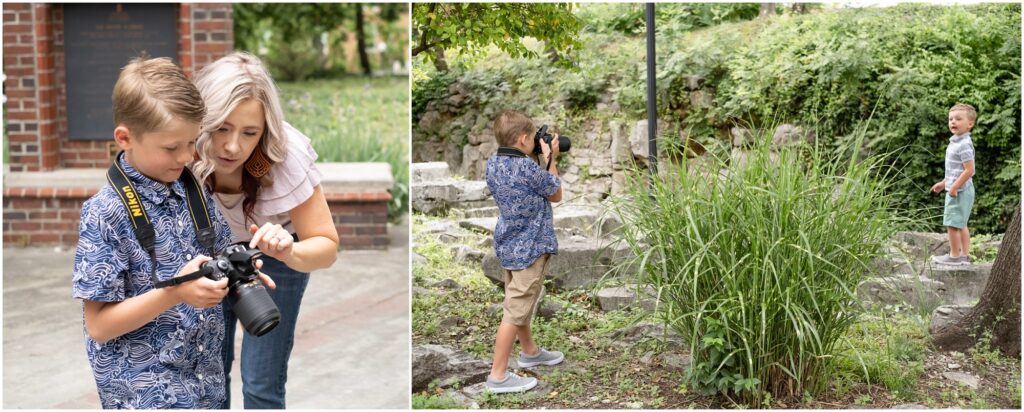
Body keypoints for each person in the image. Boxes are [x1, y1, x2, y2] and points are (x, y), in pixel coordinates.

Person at [72, 57, 253, 409]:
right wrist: (175, 293)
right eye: (172, 147)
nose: (187, 156)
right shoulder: (105, 212)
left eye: (192, 142)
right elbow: (99, 325)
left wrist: (241, 272)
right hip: (144, 398)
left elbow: (215, 261)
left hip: (207, 390)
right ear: (125, 138)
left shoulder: (192, 190)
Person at [191, 52, 339, 409]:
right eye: (221, 127)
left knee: (262, 386)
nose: (232, 146)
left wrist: (289, 251)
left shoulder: (285, 155)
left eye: (249, 133)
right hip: (205, 259)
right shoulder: (182, 148)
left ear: (265, 130)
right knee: (209, 379)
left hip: (277, 261)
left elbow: (327, 246)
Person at [482, 110, 566, 393]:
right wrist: (551, 158)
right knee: (515, 310)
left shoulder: (493, 164)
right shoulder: (529, 169)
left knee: (519, 302)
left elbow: (524, 185)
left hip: (508, 242)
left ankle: (530, 351)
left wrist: (536, 156)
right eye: (532, 138)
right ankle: (498, 376)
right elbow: (555, 193)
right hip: (531, 247)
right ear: (522, 139)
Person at [930, 103, 978, 266]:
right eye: (951, 119)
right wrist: (944, 183)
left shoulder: (963, 144)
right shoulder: (956, 142)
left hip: (960, 190)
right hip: (960, 188)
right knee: (961, 223)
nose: (953, 122)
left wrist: (955, 187)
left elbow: (969, 170)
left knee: (952, 224)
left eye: (958, 119)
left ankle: (954, 256)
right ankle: (964, 256)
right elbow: (955, 170)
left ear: (970, 124)